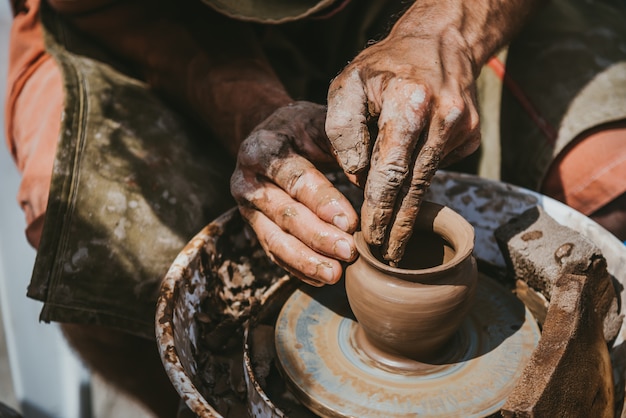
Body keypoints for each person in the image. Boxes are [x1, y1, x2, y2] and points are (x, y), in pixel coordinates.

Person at [5, 0, 625, 416]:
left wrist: (449, 30)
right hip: (161, 15)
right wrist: (244, 110)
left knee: (608, 188)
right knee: (99, 240)